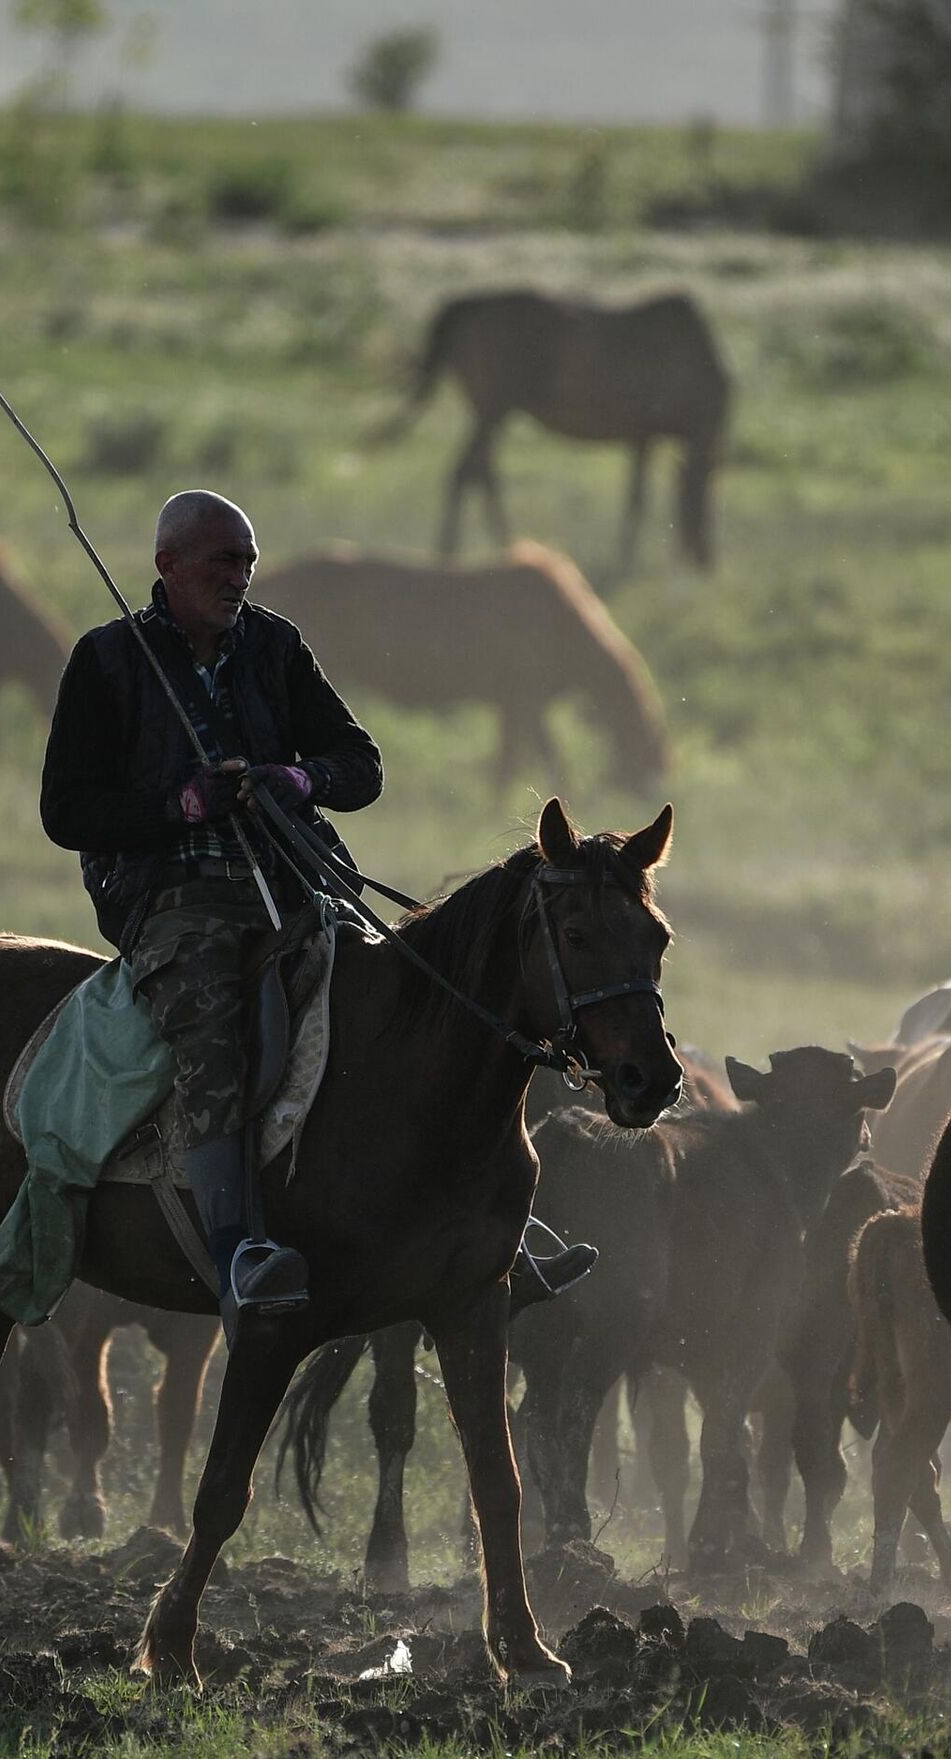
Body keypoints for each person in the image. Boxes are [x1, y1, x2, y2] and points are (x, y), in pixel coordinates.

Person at [41, 490, 590, 1346]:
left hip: (297, 883)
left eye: (248, 562)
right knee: (215, 1027)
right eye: (222, 562)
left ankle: (489, 1235)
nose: (239, 577)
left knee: (415, 1008)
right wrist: (181, 804)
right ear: (168, 566)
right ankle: (237, 1253)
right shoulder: (109, 662)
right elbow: (67, 812)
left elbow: (361, 765)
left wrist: (300, 781)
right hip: (171, 902)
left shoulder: (275, 647)